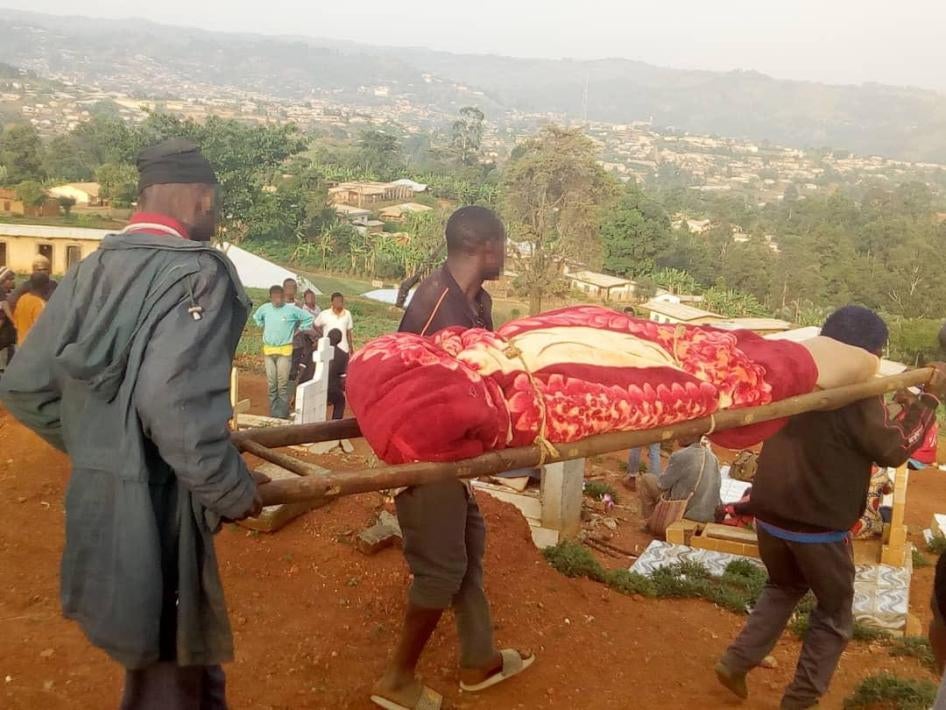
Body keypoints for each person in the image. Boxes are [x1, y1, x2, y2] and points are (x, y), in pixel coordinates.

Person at [0, 137, 267, 709]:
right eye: (214, 203)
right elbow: (172, 403)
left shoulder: (92, 269)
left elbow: (24, 386)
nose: (213, 215)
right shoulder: (199, 276)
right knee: (167, 668)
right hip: (162, 510)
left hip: (101, 503)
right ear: (199, 198)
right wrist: (231, 488)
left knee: (179, 661)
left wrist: (105, 446)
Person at [716, 305, 946, 710]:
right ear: (871, 353)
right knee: (835, 614)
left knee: (783, 586)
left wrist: (906, 397)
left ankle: (736, 661)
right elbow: (893, 448)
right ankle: (801, 700)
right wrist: (927, 402)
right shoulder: (857, 394)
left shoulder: (797, 377)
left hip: (770, 517)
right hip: (818, 529)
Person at [372, 206, 534, 710]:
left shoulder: (476, 303)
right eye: (502, 246)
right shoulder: (436, 302)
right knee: (441, 570)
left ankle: (478, 659)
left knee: (470, 545)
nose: (504, 255)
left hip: (456, 450)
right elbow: (395, 375)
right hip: (425, 455)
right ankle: (396, 680)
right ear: (484, 248)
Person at [253, 284, 314, 419]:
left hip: (285, 351)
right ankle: (274, 413)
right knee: (272, 384)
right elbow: (256, 317)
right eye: (274, 298)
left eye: (280, 297)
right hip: (269, 351)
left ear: (283, 298)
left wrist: (299, 330)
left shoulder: (291, 310)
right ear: (270, 298)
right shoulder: (265, 309)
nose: (277, 300)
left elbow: (309, 318)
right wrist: (261, 325)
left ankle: (282, 414)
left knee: (282, 383)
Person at [637, 437, 721, 523]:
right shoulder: (713, 458)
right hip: (709, 516)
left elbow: (662, 484)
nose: (677, 437)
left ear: (688, 436)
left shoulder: (681, 455)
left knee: (646, 479)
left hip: (683, 513)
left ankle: (650, 522)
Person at [11, 273, 48, 344]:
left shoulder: (22, 299)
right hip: (33, 346)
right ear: (46, 285)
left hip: (20, 345)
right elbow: (42, 329)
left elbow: (16, 324)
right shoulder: (40, 304)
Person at [326, 328, 349, 420]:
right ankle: (335, 423)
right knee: (340, 401)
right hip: (331, 388)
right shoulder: (343, 354)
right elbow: (342, 377)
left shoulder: (315, 349)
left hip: (310, 385)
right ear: (340, 340)